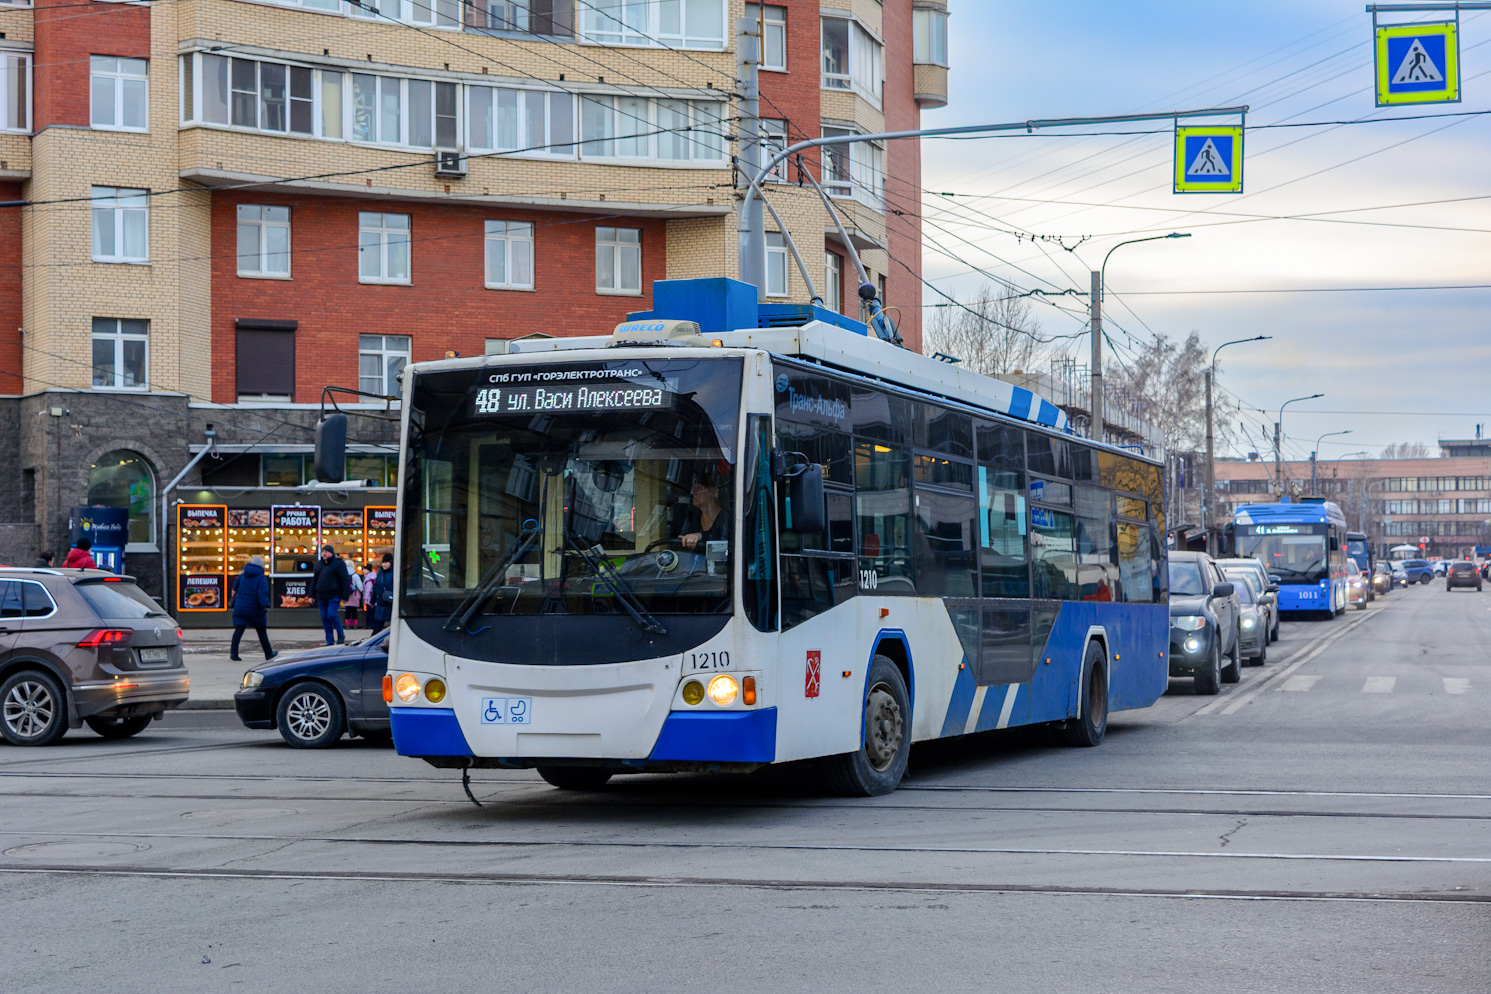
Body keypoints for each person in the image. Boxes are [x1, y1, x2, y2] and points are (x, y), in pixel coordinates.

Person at [229, 555, 276, 663]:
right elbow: (262, 593)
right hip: (255, 609)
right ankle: (268, 654)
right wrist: (265, 605)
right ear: (261, 565)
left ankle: (233, 653)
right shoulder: (260, 577)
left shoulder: (243, 575)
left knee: (238, 631)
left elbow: (235, 586)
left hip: (241, 608)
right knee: (261, 631)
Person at [677, 465, 730, 550]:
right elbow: (680, 539)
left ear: (714, 492)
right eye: (692, 489)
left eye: (698, 489)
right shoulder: (692, 517)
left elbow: (728, 546)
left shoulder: (728, 519)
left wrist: (701, 536)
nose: (692, 493)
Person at [312, 544, 352, 645]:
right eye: (323, 552)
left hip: (334, 595)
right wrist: (311, 595)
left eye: (326, 552)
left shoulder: (338, 564)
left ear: (331, 553)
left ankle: (341, 635)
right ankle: (329, 640)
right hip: (322, 596)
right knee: (325, 618)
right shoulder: (319, 564)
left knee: (332, 615)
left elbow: (345, 580)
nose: (324, 553)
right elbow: (314, 580)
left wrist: (345, 596)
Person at [370, 553, 395, 634]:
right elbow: (376, 587)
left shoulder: (395, 572)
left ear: (391, 563)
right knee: (378, 625)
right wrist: (372, 601)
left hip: (390, 602)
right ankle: (373, 641)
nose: (384, 564)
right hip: (381, 601)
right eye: (383, 562)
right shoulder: (380, 573)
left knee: (393, 624)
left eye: (386, 562)